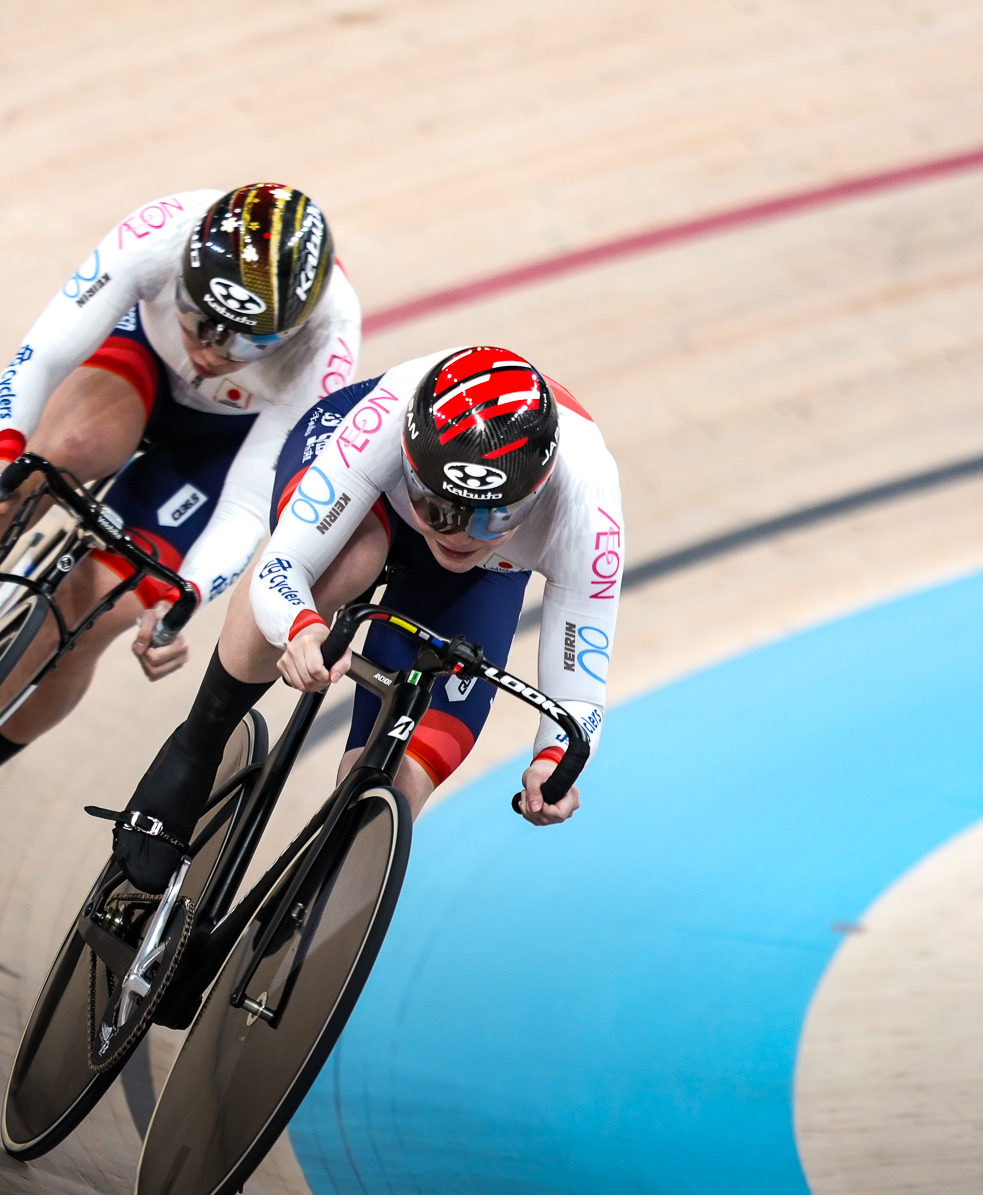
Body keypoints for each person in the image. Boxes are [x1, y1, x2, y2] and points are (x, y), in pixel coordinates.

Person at [0, 185, 361, 901]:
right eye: (200, 320)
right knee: (50, 456)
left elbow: (248, 501)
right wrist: (0, 450)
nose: (209, 351)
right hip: (135, 365)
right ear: (185, 276)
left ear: (287, 330)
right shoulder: (161, 234)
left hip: (221, 450)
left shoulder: (328, 337)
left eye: (243, 343)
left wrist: (185, 599)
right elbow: (44, 352)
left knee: (101, 607)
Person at [109, 345, 622, 892]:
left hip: (488, 571)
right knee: (346, 563)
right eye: (439, 509)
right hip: (364, 485)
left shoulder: (587, 507)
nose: (458, 536)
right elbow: (285, 565)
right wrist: (301, 626)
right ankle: (198, 746)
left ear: (535, 497)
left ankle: (306, 916)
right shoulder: (386, 419)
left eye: (495, 517)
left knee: (392, 792)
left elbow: (578, 694)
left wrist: (553, 760)